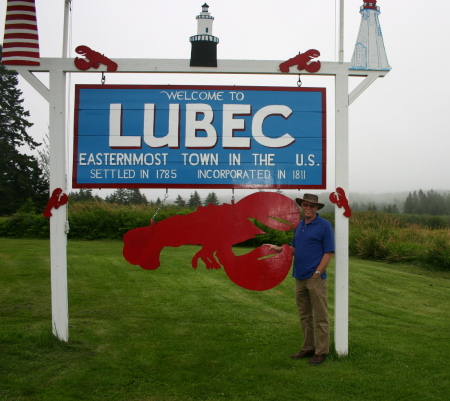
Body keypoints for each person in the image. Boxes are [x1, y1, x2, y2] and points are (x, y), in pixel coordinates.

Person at [268, 193, 335, 366]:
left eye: (312, 206)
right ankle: (308, 348)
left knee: (320, 317)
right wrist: (278, 249)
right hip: (299, 277)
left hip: (315, 279)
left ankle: (321, 351)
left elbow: (329, 252)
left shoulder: (324, 225)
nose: (308, 208)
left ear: (317, 208)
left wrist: (318, 273)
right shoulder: (299, 226)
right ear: (302, 206)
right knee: (304, 316)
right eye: (305, 205)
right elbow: (294, 248)